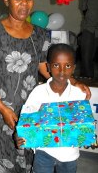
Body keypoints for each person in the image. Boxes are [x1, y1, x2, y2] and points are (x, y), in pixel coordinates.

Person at [0, 0, 91, 172]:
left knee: (29, 159)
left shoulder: (40, 34)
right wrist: (2, 109)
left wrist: (74, 81)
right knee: (0, 160)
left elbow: (47, 68)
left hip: (31, 110)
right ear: (5, 0)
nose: (24, 3)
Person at [17, 43, 87, 173]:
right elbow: (27, 116)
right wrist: (19, 134)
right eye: (56, 65)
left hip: (69, 153)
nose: (62, 71)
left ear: (73, 68)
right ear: (48, 66)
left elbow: (83, 122)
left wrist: (87, 134)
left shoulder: (79, 94)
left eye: (67, 66)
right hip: (44, 151)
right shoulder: (39, 92)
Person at [79, 0, 98, 79]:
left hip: (90, 26)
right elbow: (83, 7)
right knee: (86, 56)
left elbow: (83, 7)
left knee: (87, 56)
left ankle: (87, 79)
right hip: (90, 27)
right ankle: (87, 80)